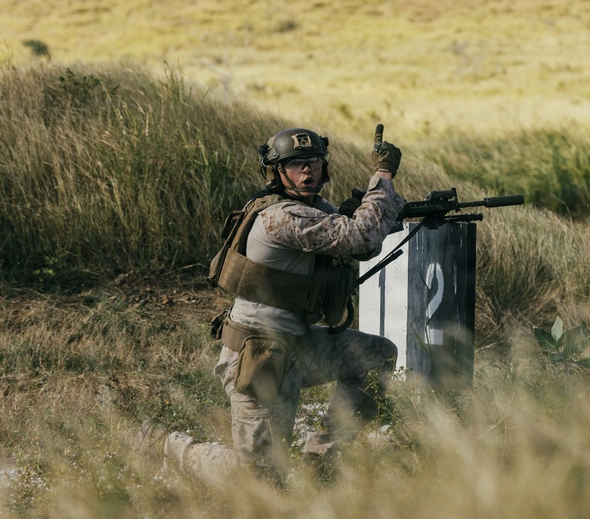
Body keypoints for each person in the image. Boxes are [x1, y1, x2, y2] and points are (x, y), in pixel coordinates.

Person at [137, 125, 405, 484]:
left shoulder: (312, 209)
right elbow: (362, 235)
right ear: (277, 173)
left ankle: (321, 462)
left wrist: (368, 210)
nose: (307, 171)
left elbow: (363, 244)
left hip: (298, 344)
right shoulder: (282, 217)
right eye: (295, 165)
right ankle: (165, 445)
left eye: (313, 162)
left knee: (378, 355)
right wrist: (383, 178)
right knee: (261, 481)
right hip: (259, 357)